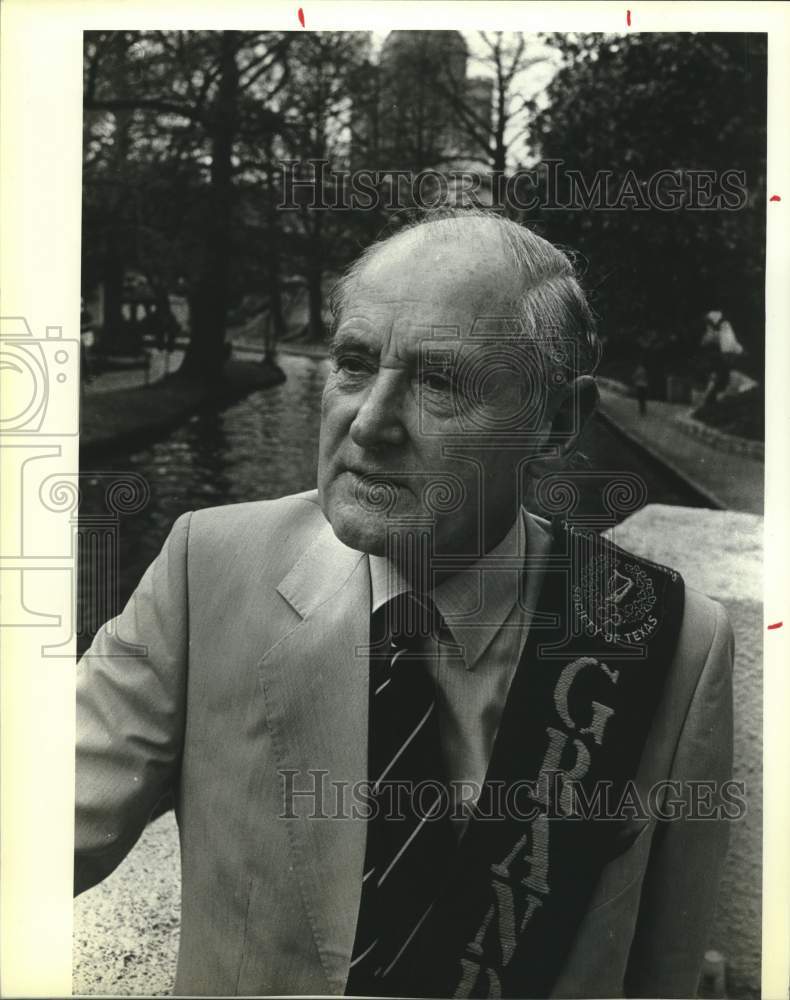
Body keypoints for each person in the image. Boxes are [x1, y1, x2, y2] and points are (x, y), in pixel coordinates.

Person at [75, 211, 734, 999]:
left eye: (440, 383)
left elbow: (662, 971)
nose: (370, 422)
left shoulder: (666, 641)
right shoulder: (206, 569)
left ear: (558, 421)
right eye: (355, 364)